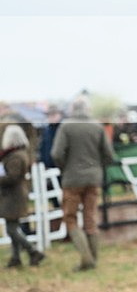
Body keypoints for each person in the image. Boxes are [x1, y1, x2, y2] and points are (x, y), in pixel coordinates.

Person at [51, 97, 115, 271]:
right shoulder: (97, 126)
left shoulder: (66, 126)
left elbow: (57, 153)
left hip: (72, 179)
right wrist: (96, 167)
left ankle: (86, 259)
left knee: (70, 218)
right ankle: (93, 259)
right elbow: (109, 155)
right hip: (94, 178)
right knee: (91, 218)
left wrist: (66, 168)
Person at [1, 125, 45, 268]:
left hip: (13, 196)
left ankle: (32, 251)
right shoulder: (18, 154)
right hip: (14, 196)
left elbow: (12, 178)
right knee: (12, 226)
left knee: (12, 229)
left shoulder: (16, 156)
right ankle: (16, 258)